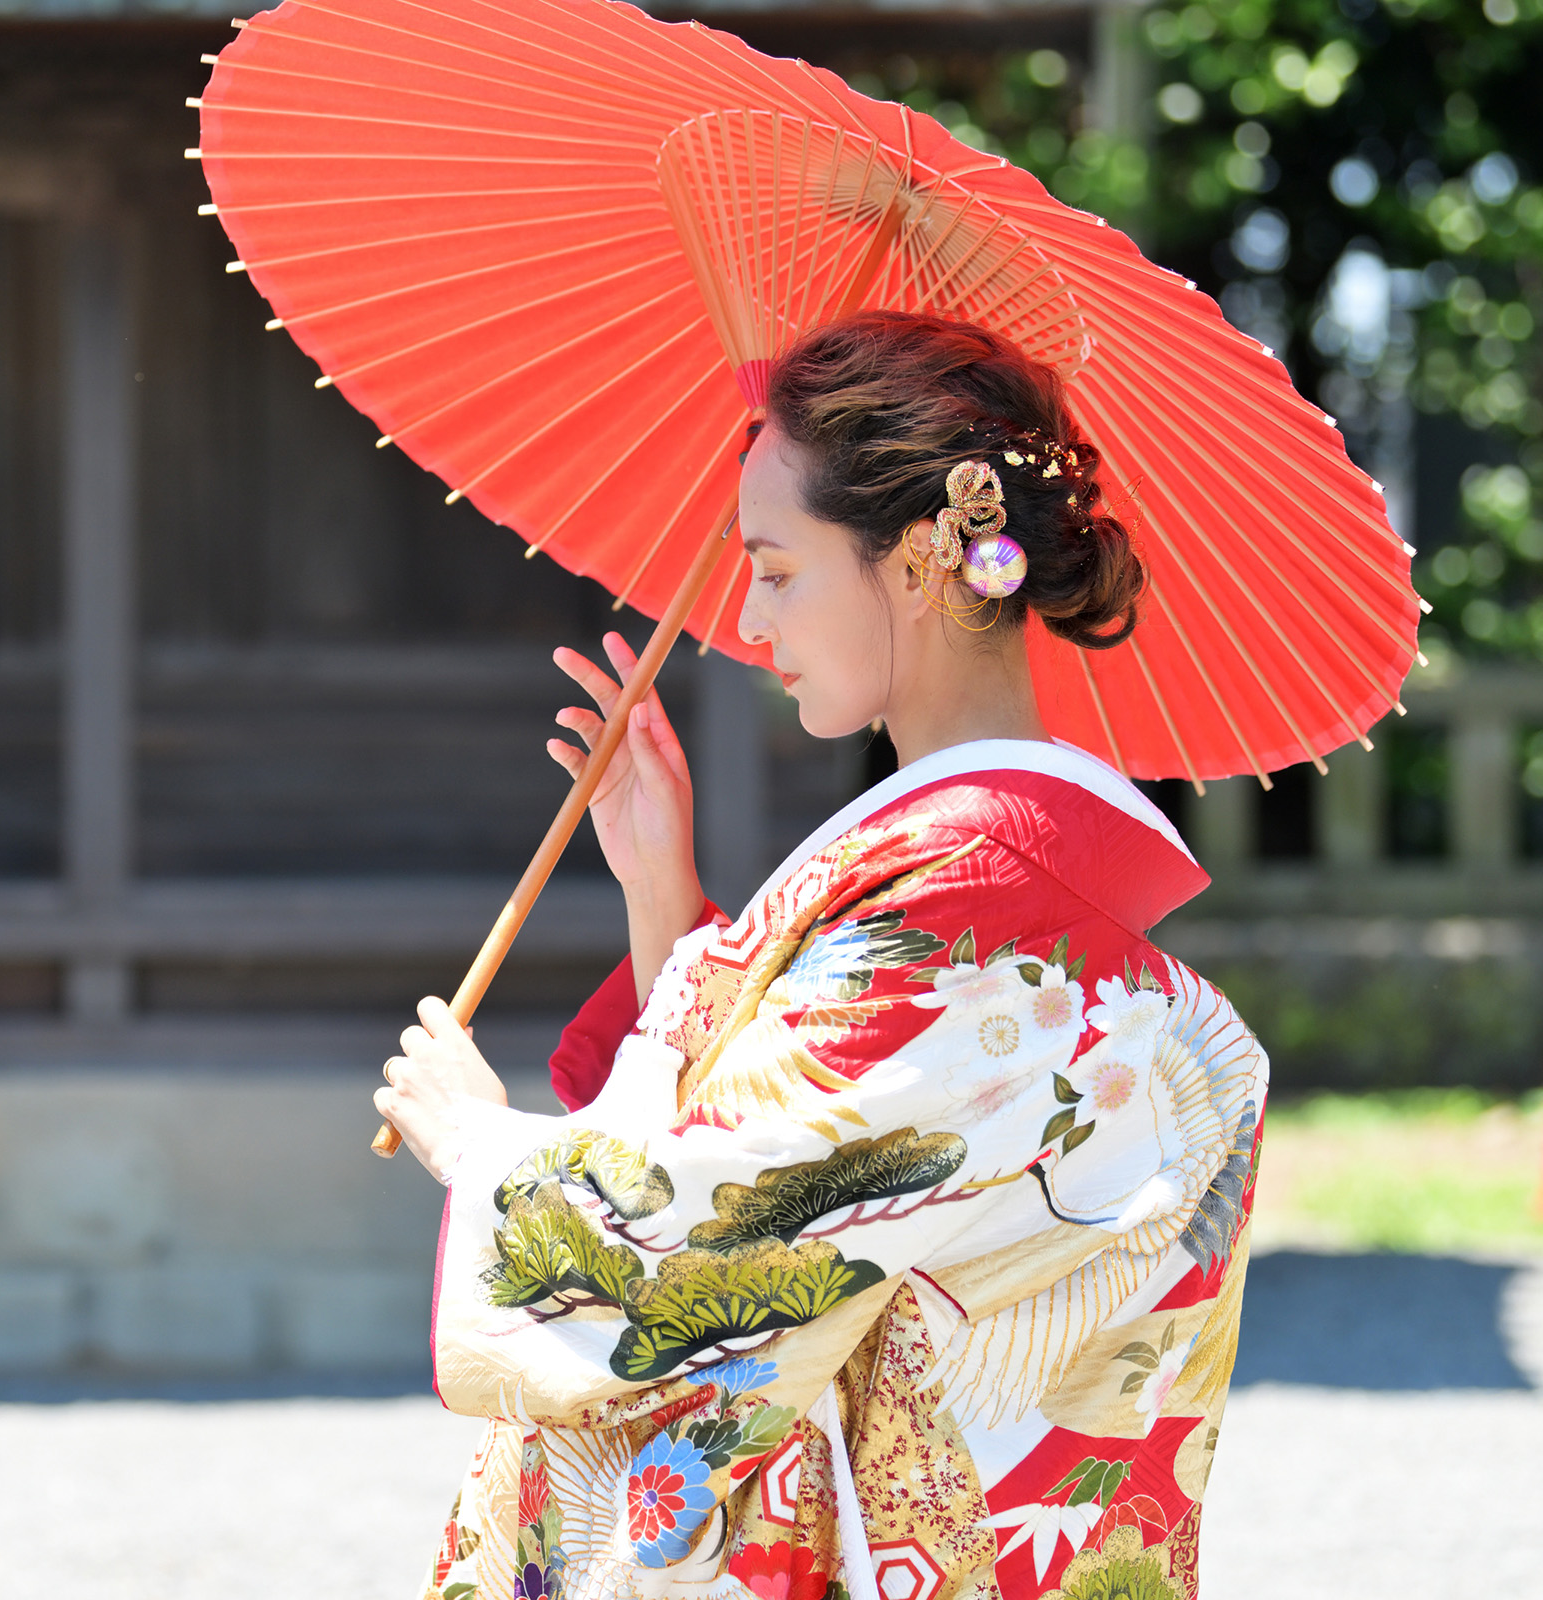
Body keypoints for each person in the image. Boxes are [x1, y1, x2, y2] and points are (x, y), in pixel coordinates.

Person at [375, 311, 1264, 1600]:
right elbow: (818, 1136)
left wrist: (481, 1144)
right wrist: (664, 898)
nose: (750, 612)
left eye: (780, 570)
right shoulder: (997, 871)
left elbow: (743, 1223)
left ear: (917, 561)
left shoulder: (968, 890)